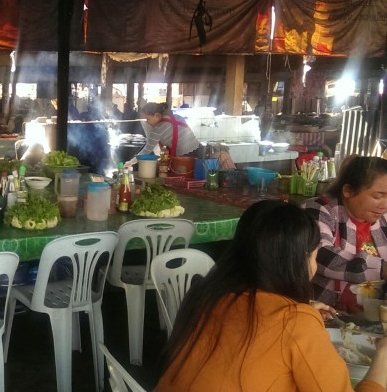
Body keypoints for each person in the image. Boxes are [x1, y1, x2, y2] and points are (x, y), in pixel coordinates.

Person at [156, 200, 387, 392]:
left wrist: (299, 312)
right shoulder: (296, 322)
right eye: (315, 257)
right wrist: (383, 359)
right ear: (300, 260)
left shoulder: (206, 295)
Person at [304, 155, 387, 311]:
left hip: (376, 315)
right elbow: (319, 254)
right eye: (378, 196)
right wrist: (381, 268)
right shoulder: (320, 210)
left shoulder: (384, 218)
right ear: (348, 191)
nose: (385, 205)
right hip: (326, 313)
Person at [128, 102, 200, 163]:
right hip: (198, 150)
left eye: (148, 119)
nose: (147, 122)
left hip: (184, 157)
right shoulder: (177, 117)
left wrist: (131, 162)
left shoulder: (157, 129)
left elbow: (147, 150)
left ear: (157, 116)